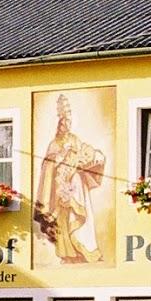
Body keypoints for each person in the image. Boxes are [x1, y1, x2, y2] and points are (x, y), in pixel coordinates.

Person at [34, 93, 106, 264]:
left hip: (75, 186)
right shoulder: (54, 143)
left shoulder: (74, 139)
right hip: (59, 189)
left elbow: (84, 151)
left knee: (77, 217)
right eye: (65, 121)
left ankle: (84, 252)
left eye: (70, 121)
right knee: (62, 221)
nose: (68, 124)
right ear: (60, 124)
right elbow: (47, 165)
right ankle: (68, 254)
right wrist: (60, 156)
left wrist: (96, 155)